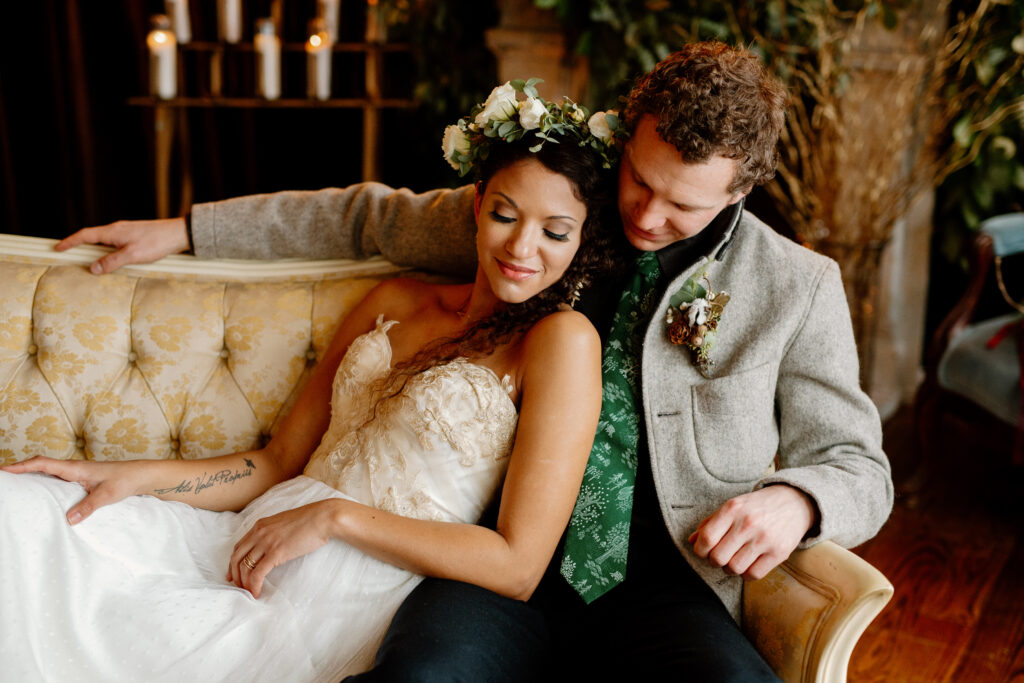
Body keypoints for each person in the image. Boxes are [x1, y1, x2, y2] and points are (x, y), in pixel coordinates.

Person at [56, 41, 894, 680]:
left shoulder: (797, 287)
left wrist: (797, 500)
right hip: (486, 557)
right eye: (639, 179)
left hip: (669, 582)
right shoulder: (551, 217)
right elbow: (364, 218)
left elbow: (860, 465)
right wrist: (187, 232)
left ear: (739, 190)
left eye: (682, 204)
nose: (644, 212)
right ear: (627, 138)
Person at [0, 84, 628, 681]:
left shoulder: (560, 342)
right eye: (504, 214)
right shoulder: (399, 300)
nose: (522, 247)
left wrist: (335, 518)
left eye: (554, 232)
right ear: (475, 204)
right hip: (247, 538)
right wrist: (129, 477)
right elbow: (273, 465)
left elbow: (517, 566)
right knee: (23, 509)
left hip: (353, 592)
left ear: (581, 240)